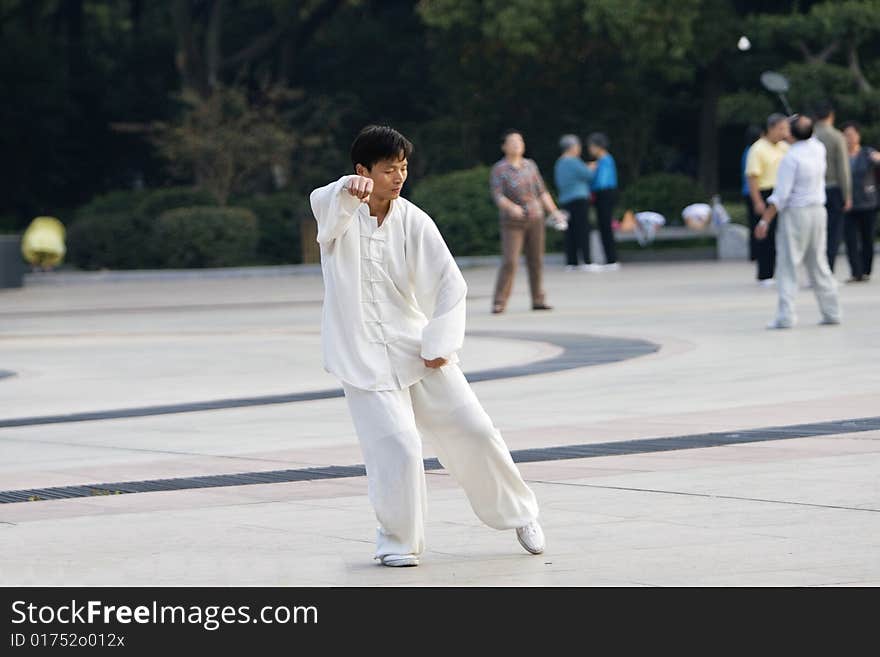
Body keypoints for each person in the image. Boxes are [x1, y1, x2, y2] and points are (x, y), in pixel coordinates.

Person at [309, 125, 543, 567]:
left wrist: (441, 340)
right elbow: (325, 204)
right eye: (388, 170)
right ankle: (397, 542)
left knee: (474, 427)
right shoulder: (336, 212)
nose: (398, 177)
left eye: (403, 168)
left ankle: (520, 513)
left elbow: (450, 285)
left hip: (415, 346)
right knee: (397, 445)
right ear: (364, 170)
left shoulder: (415, 220)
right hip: (359, 356)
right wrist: (346, 188)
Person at [754, 114, 841, 329]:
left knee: (788, 265)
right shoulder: (818, 148)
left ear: (791, 134)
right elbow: (805, 133)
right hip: (818, 212)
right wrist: (799, 126)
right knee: (819, 264)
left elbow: (781, 196)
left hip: (796, 215)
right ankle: (832, 312)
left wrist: (764, 221)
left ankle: (786, 317)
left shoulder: (791, 158)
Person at [490, 130, 562, 313]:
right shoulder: (499, 169)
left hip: (535, 218)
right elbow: (498, 196)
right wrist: (511, 207)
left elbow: (542, 191)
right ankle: (500, 301)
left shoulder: (530, 165)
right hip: (512, 222)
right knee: (510, 261)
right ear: (504, 146)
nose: (517, 144)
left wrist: (554, 212)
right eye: (512, 142)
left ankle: (538, 299)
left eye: (519, 141)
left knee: (536, 260)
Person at [746, 113, 790, 286]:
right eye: (781, 128)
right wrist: (757, 201)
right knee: (766, 235)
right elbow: (752, 177)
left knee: (784, 235)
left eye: (786, 128)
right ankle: (765, 274)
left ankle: (780, 272)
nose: (784, 132)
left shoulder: (785, 147)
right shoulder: (758, 148)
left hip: (782, 193)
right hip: (765, 193)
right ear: (770, 128)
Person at [812, 101, 853, 273]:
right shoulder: (837, 136)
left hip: (814, 189)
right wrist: (848, 195)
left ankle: (816, 270)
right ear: (831, 116)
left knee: (817, 233)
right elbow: (843, 168)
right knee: (833, 232)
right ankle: (828, 270)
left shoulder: (811, 135)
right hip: (834, 189)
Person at [841, 121, 880, 282]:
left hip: (867, 202)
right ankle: (855, 272)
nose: (849, 138)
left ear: (858, 136)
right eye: (846, 135)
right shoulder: (840, 156)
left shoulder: (867, 152)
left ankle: (866, 270)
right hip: (848, 203)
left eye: (851, 134)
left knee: (867, 238)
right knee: (850, 240)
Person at [554, 134, 593, 271]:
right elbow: (588, 175)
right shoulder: (574, 161)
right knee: (583, 229)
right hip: (579, 198)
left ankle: (571, 262)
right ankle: (587, 261)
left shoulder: (559, 163)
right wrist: (591, 167)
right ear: (572, 147)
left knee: (569, 232)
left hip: (565, 200)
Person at [586, 132, 620, 271]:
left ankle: (611, 259)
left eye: (591, 146)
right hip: (605, 194)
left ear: (598, 146)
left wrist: (590, 177)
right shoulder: (602, 160)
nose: (590, 149)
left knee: (605, 226)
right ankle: (609, 258)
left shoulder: (605, 159)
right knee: (603, 226)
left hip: (604, 194)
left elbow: (601, 181)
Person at [742, 125, 764, 261]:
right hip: (754, 191)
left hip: (747, 191)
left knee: (753, 223)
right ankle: (758, 253)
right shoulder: (755, 152)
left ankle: (754, 253)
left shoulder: (747, 150)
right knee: (759, 224)